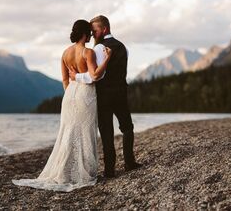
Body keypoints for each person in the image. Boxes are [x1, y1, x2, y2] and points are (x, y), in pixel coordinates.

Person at [12, 19, 111, 192]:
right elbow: (94, 76)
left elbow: (65, 79)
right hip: (85, 94)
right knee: (84, 132)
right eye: (88, 32)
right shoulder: (88, 52)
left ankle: (64, 171)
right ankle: (84, 173)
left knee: (68, 131)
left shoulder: (65, 53)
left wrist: (70, 94)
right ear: (83, 34)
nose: (90, 35)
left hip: (70, 95)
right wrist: (107, 59)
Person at [70, 15, 142, 178]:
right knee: (127, 128)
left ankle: (110, 170)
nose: (93, 34)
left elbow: (95, 76)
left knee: (107, 131)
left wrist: (76, 77)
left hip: (104, 96)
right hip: (121, 93)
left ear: (104, 29)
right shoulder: (124, 47)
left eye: (95, 31)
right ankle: (130, 163)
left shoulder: (98, 48)